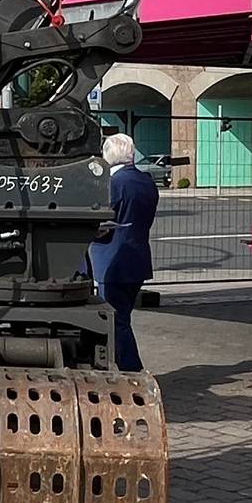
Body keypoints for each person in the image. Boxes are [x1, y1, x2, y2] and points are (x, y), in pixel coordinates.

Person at [95, 132, 157, 373]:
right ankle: (125, 368)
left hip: (113, 261)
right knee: (122, 317)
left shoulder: (114, 183)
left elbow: (99, 220)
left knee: (115, 321)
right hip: (138, 258)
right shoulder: (147, 182)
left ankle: (132, 370)